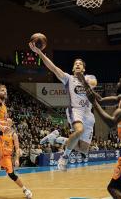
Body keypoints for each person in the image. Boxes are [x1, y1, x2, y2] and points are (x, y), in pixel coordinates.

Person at [29, 42, 96, 171]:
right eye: (75, 64)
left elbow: (93, 83)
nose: (77, 65)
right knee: (79, 131)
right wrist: (39, 53)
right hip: (75, 110)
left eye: (80, 64)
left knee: (83, 149)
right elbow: (53, 67)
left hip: (88, 114)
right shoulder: (68, 79)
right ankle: (64, 157)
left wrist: (82, 78)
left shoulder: (89, 77)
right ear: (72, 68)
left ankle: (56, 138)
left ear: (83, 69)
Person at [0, 118, 32, 198]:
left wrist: (17, 159)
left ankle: (25, 190)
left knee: (11, 174)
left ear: (11, 124)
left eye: (8, 123)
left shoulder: (13, 134)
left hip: (6, 157)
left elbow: (17, 148)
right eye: (5, 122)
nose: (6, 124)